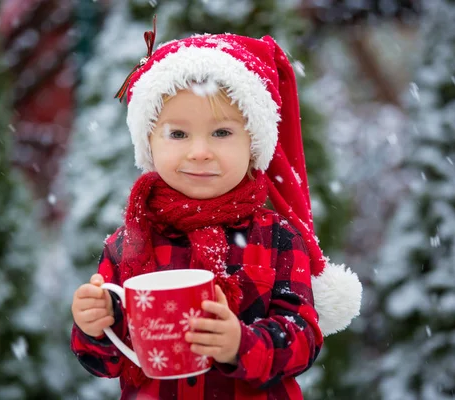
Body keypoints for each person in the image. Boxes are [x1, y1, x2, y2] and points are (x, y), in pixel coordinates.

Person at [71, 25, 362, 399]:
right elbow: (105, 363)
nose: (199, 152)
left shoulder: (277, 238)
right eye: (178, 134)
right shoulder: (129, 243)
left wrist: (241, 343)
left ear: (254, 144)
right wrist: (94, 325)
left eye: (221, 133)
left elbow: (303, 339)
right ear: (149, 143)